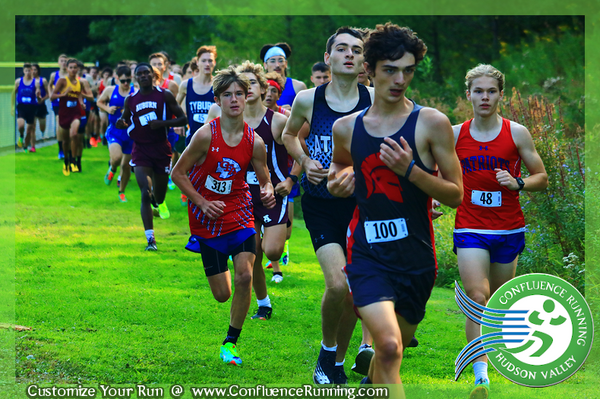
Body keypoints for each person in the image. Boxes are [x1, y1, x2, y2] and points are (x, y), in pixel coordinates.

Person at [327, 23, 463, 398]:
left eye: (408, 70)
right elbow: (340, 169)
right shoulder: (346, 128)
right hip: (368, 254)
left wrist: (411, 171)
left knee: (392, 355)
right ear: (368, 70)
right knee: (387, 347)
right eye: (390, 69)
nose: (400, 79)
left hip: (417, 257)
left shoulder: (431, 123)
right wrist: (338, 181)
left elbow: (455, 195)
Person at [282, 26, 374, 385]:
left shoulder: (373, 99)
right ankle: (326, 351)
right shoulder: (309, 99)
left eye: (356, 49)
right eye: (342, 49)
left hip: (363, 205)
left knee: (354, 288)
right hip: (320, 203)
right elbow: (289, 135)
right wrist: (305, 163)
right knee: (338, 284)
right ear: (328, 58)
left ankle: (336, 360)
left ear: (364, 60)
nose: (350, 54)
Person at [453, 64, 548, 399]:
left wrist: (518, 182)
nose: (484, 97)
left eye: (491, 91)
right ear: (468, 94)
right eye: (478, 91)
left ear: (500, 95)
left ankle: (494, 353)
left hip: (508, 228)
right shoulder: (454, 134)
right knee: (477, 297)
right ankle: (481, 378)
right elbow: (435, 174)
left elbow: (542, 177)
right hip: (469, 227)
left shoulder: (517, 133)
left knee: (497, 304)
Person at [171, 66, 275, 365]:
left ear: (247, 97)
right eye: (227, 95)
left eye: (239, 94)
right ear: (217, 99)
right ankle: (224, 292)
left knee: (244, 275)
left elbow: (264, 178)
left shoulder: (255, 142)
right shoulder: (205, 135)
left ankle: (230, 342)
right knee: (222, 294)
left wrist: (267, 190)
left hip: (240, 212)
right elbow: (178, 173)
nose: (234, 100)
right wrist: (202, 202)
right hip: (207, 218)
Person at [206, 61, 290, 312]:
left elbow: (300, 149)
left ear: (263, 88)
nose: (247, 88)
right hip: (241, 195)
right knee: (252, 251)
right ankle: (263, 303)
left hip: (271, 193)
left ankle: (273, 260)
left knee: (272, 251)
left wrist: (290, 179)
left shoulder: (277, 121)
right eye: (243, 84)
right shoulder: (229, 121)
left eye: (252, 83)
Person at [115, 63, 187, 250]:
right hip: (140, 150)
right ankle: (150, 240)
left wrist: (162, 123)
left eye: (147, 72)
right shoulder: (130, 99)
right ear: (135, 78)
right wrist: (121, 123)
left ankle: (158, 202)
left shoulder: (164, 95)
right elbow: (125, 119)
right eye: (140, 74)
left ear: (153, 75)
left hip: (161, 150)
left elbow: (182, 118)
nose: (144, 76)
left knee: (159, 197)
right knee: (145, 193)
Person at [97, 65, 135, 203]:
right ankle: (112, 169)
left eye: (128, 81)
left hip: (130, 133)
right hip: (115, 131)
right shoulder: (110, 90)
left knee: (126, 166)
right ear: (117, 79)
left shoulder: (135, 92)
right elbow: (99, 102)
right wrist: (107, 108)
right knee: (117, 158)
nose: (126, 84)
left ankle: (122, 192)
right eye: (123, 81)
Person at [50, 58, 93, 175]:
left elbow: (91, 97)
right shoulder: (62, 81)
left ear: (78, 69)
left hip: (76, 113)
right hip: (64, 113)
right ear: (67, 69)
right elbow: (52, 96)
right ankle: (66, 160)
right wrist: (64, 93)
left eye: (75, 68)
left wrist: (81, 96)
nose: (73, 70)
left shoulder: (82, 82)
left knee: (74, 135)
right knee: (65, 141)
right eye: (71, 67)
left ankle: (75, 160)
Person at [260, 42, 307, 109]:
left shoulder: (298, 87)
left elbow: (307, 114)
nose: (277, 65)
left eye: (281, 61)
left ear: (286, 63)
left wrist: (292, 113)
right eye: (272, 61)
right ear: (265, 65)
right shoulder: (258, 88)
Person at [11, 63, 38, 152]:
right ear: (23, 71)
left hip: (31, 107)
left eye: (29, 70)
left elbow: (38, 94)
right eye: (26, 71)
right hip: (21, 106)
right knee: (21, 125)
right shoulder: (18, 81)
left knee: (29, 129)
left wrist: (38, 96)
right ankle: (21, 136)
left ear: (32, 71)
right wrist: (12, 106)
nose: (28, 72)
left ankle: (26, 146)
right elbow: (13, 93)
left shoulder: (35, 82)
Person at [49, 54, 68, 158]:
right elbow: (49, 84)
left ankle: (67, 147)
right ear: (58, 62)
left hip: (69, 103)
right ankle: (60, 149)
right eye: (62, 61)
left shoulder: (70, 75)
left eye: (65, 61)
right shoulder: (54, 75)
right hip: (58, 103)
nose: (64, 63)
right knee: (59, 124)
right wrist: (51, 94)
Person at [32, 64, 49, 141]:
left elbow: (49, 93)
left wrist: (42, 99)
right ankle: (32, 142)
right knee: (32, 125)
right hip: (31, 106)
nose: (33, 71)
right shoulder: (27, 81)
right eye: (31, 69)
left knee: (42, 125)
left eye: (35, 69)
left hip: (41, 105)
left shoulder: (43, 80)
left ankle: (42, 133)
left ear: (38, 71)